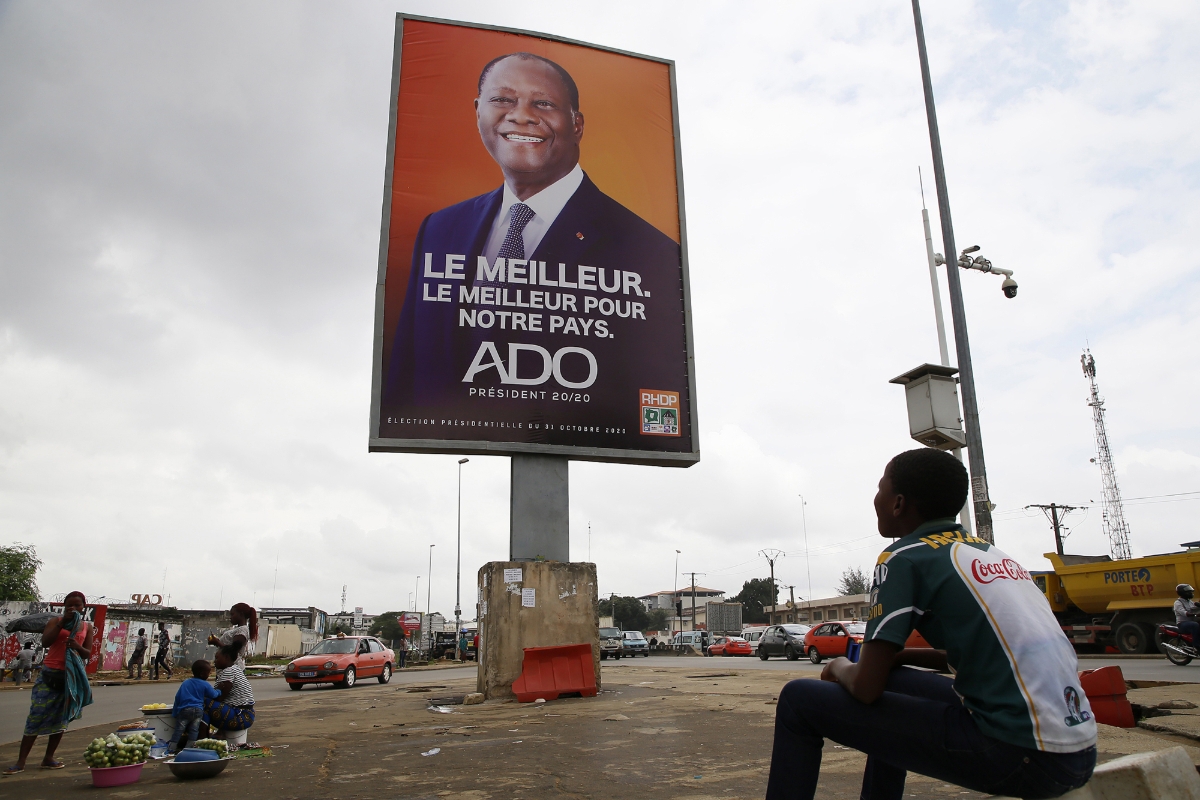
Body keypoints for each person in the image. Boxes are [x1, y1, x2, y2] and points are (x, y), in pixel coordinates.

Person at [766, 449, 1097, 800]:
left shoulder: (903, 558)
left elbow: (865, 687)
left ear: (898, 504)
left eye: (880, 488)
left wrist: (840, 665)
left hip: (1019, 755)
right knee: (892, 680)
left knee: (797, 700)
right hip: (1077, 752)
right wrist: (901, 656)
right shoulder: (992, 555)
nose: (874, 498)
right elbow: (984, 654)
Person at [383, 52, 688, 430]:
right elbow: (406, 374)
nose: (522, 115)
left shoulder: (649, 252)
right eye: (503, 100)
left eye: (543, 103)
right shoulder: (440, 229)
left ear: (576, 124)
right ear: (478, 111)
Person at [4, 592, 95, 776]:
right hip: (49, 674)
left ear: (83, 607)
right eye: (69, 605)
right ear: (64, 607)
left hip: (69, 678)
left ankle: (48, 757)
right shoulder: (55, 622)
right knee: (35, 716)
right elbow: (46, 642)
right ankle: (21, 761)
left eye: (77, 606)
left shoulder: (87, 626)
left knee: (61, 720)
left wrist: (76, 647)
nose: (73, 609)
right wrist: (62, 622)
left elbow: (87, 653)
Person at [203, 645, 255, 743]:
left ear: (226, 657)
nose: (215, 661)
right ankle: (219, 733)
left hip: (240, 716)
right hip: (246, 715)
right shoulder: (235, 669)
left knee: (202, 703)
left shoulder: (228, 671)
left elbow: (220, 697)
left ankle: (201, 737)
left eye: (217, 658)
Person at [168, 660, 220, 754]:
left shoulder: (186, 683)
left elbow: (178, 697)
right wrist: (219, 691)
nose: (209, 675)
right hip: (198, 711)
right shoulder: (205, 684)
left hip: (184, 710)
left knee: (179, 729)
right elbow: (214, 695)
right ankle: (189, 749)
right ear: (201, 674)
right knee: (194, 730)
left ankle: (171, 748)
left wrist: (175, 712)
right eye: (208, 673)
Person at [207, 603, 257, 668]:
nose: (230, 617)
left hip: (233, 669)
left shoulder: (242, 630)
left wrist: (217, 642)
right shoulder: (238, 629)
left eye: (232, 614)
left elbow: (233, 650)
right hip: (228, 668)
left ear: (241, 614)